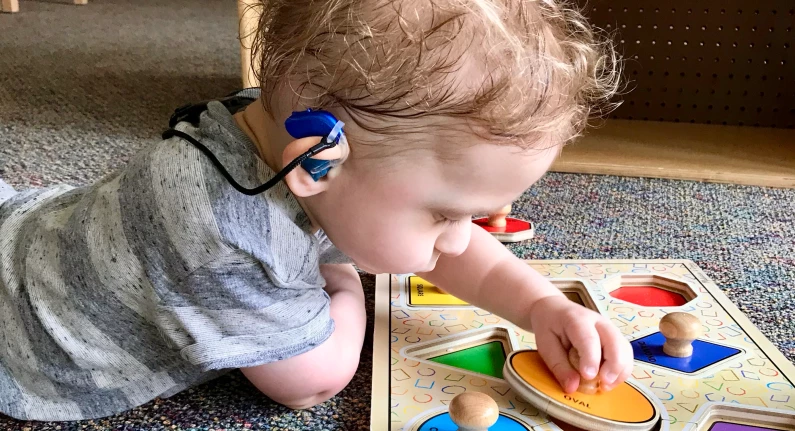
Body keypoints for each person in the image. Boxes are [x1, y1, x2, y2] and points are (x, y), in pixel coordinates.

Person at [0, 0, 631, 421]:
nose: (462, 242)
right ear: (317, 163)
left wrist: (540, 304)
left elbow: (454, 253)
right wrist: (343, 289)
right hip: (24, 334)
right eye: (444, 214)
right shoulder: (226, 234)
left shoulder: (284, 135)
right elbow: (312, 382)